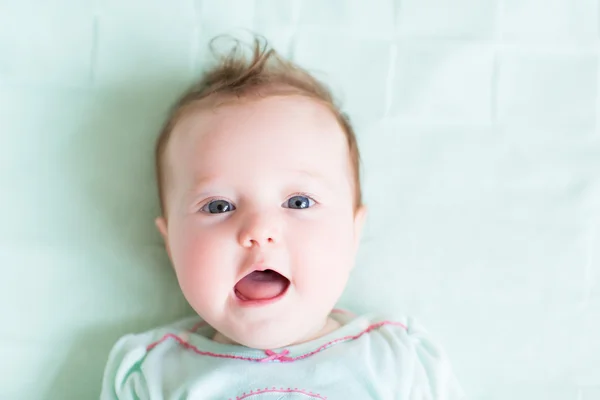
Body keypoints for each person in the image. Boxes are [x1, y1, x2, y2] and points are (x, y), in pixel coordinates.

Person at [100, 36, 465, 400]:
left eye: (299, 202)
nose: (259, 231)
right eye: (218, 206)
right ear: (171, 243)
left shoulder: (394, 361)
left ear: (353, 235)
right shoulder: (153, 372)